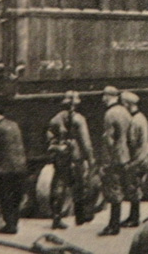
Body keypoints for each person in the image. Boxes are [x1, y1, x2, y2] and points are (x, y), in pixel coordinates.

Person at [46, 90, 96, 229]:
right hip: (75, 157)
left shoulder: (56, 118)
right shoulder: (79, 119)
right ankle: (80, 217)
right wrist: (91, 159)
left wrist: (56, 147)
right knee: (79, 185)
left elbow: (49, 137)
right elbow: (86, 142)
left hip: (61, 156)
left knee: (59, 185)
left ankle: (56, 218)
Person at [0, 105, 27, 234]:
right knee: (16, 197)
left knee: (5, 197)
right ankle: (14, 223)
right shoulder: (14, 125)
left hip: (4, 169)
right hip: (20, 167)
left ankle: (9, 225)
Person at [99, 85, 132, 236]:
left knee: (113, 191)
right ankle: (116, 223)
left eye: (104, 96)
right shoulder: (125, 112)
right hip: (125, 155)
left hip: (114, 158)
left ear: (109, 96)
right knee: (120, 188)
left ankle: (113, 225)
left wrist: (105, 162)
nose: (102, 99)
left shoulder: (110, 114)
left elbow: (109, 140)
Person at [121, 91, 148, 229]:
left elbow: (132, 141)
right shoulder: (141, 117)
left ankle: (134, 218)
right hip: (142, 157)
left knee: (133, 188)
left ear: (128, 104)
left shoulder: (134, 121)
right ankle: (133, 217)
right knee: (135, 187)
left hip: (136, 159)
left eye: (123, 103)